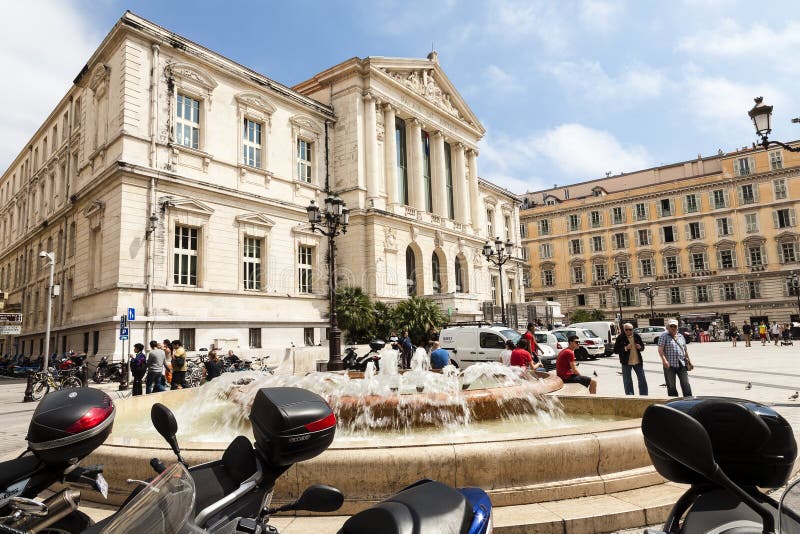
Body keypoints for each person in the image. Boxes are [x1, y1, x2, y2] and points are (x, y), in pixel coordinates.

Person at [657, 319, 693, 397]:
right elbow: (660, 350)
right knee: (671, 386)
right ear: (668, 327)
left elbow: (685, 351)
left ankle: (689, 400)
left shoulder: (681, 336)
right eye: (671, 326)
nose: (673, 328)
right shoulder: (664, 336)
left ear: (677, 327)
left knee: (686, 384)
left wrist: (689, 362)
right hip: (669, 365)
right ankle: (674, 402)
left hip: (682, 364)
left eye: (674, 326)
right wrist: (664, 361)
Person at [613, 323, 647, 396]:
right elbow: (615, 350)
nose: (628, 331)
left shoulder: (637, 336)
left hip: (638, 362)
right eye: (626, 329)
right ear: (624, 330)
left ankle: (644, 395)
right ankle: (630, 396)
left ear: (633, 329)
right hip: (626, 362)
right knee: (627, 381)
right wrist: (625, 348)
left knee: (642, 379)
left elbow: (643, 347)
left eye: (630, 329)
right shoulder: (620, 337)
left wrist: (640, 347)